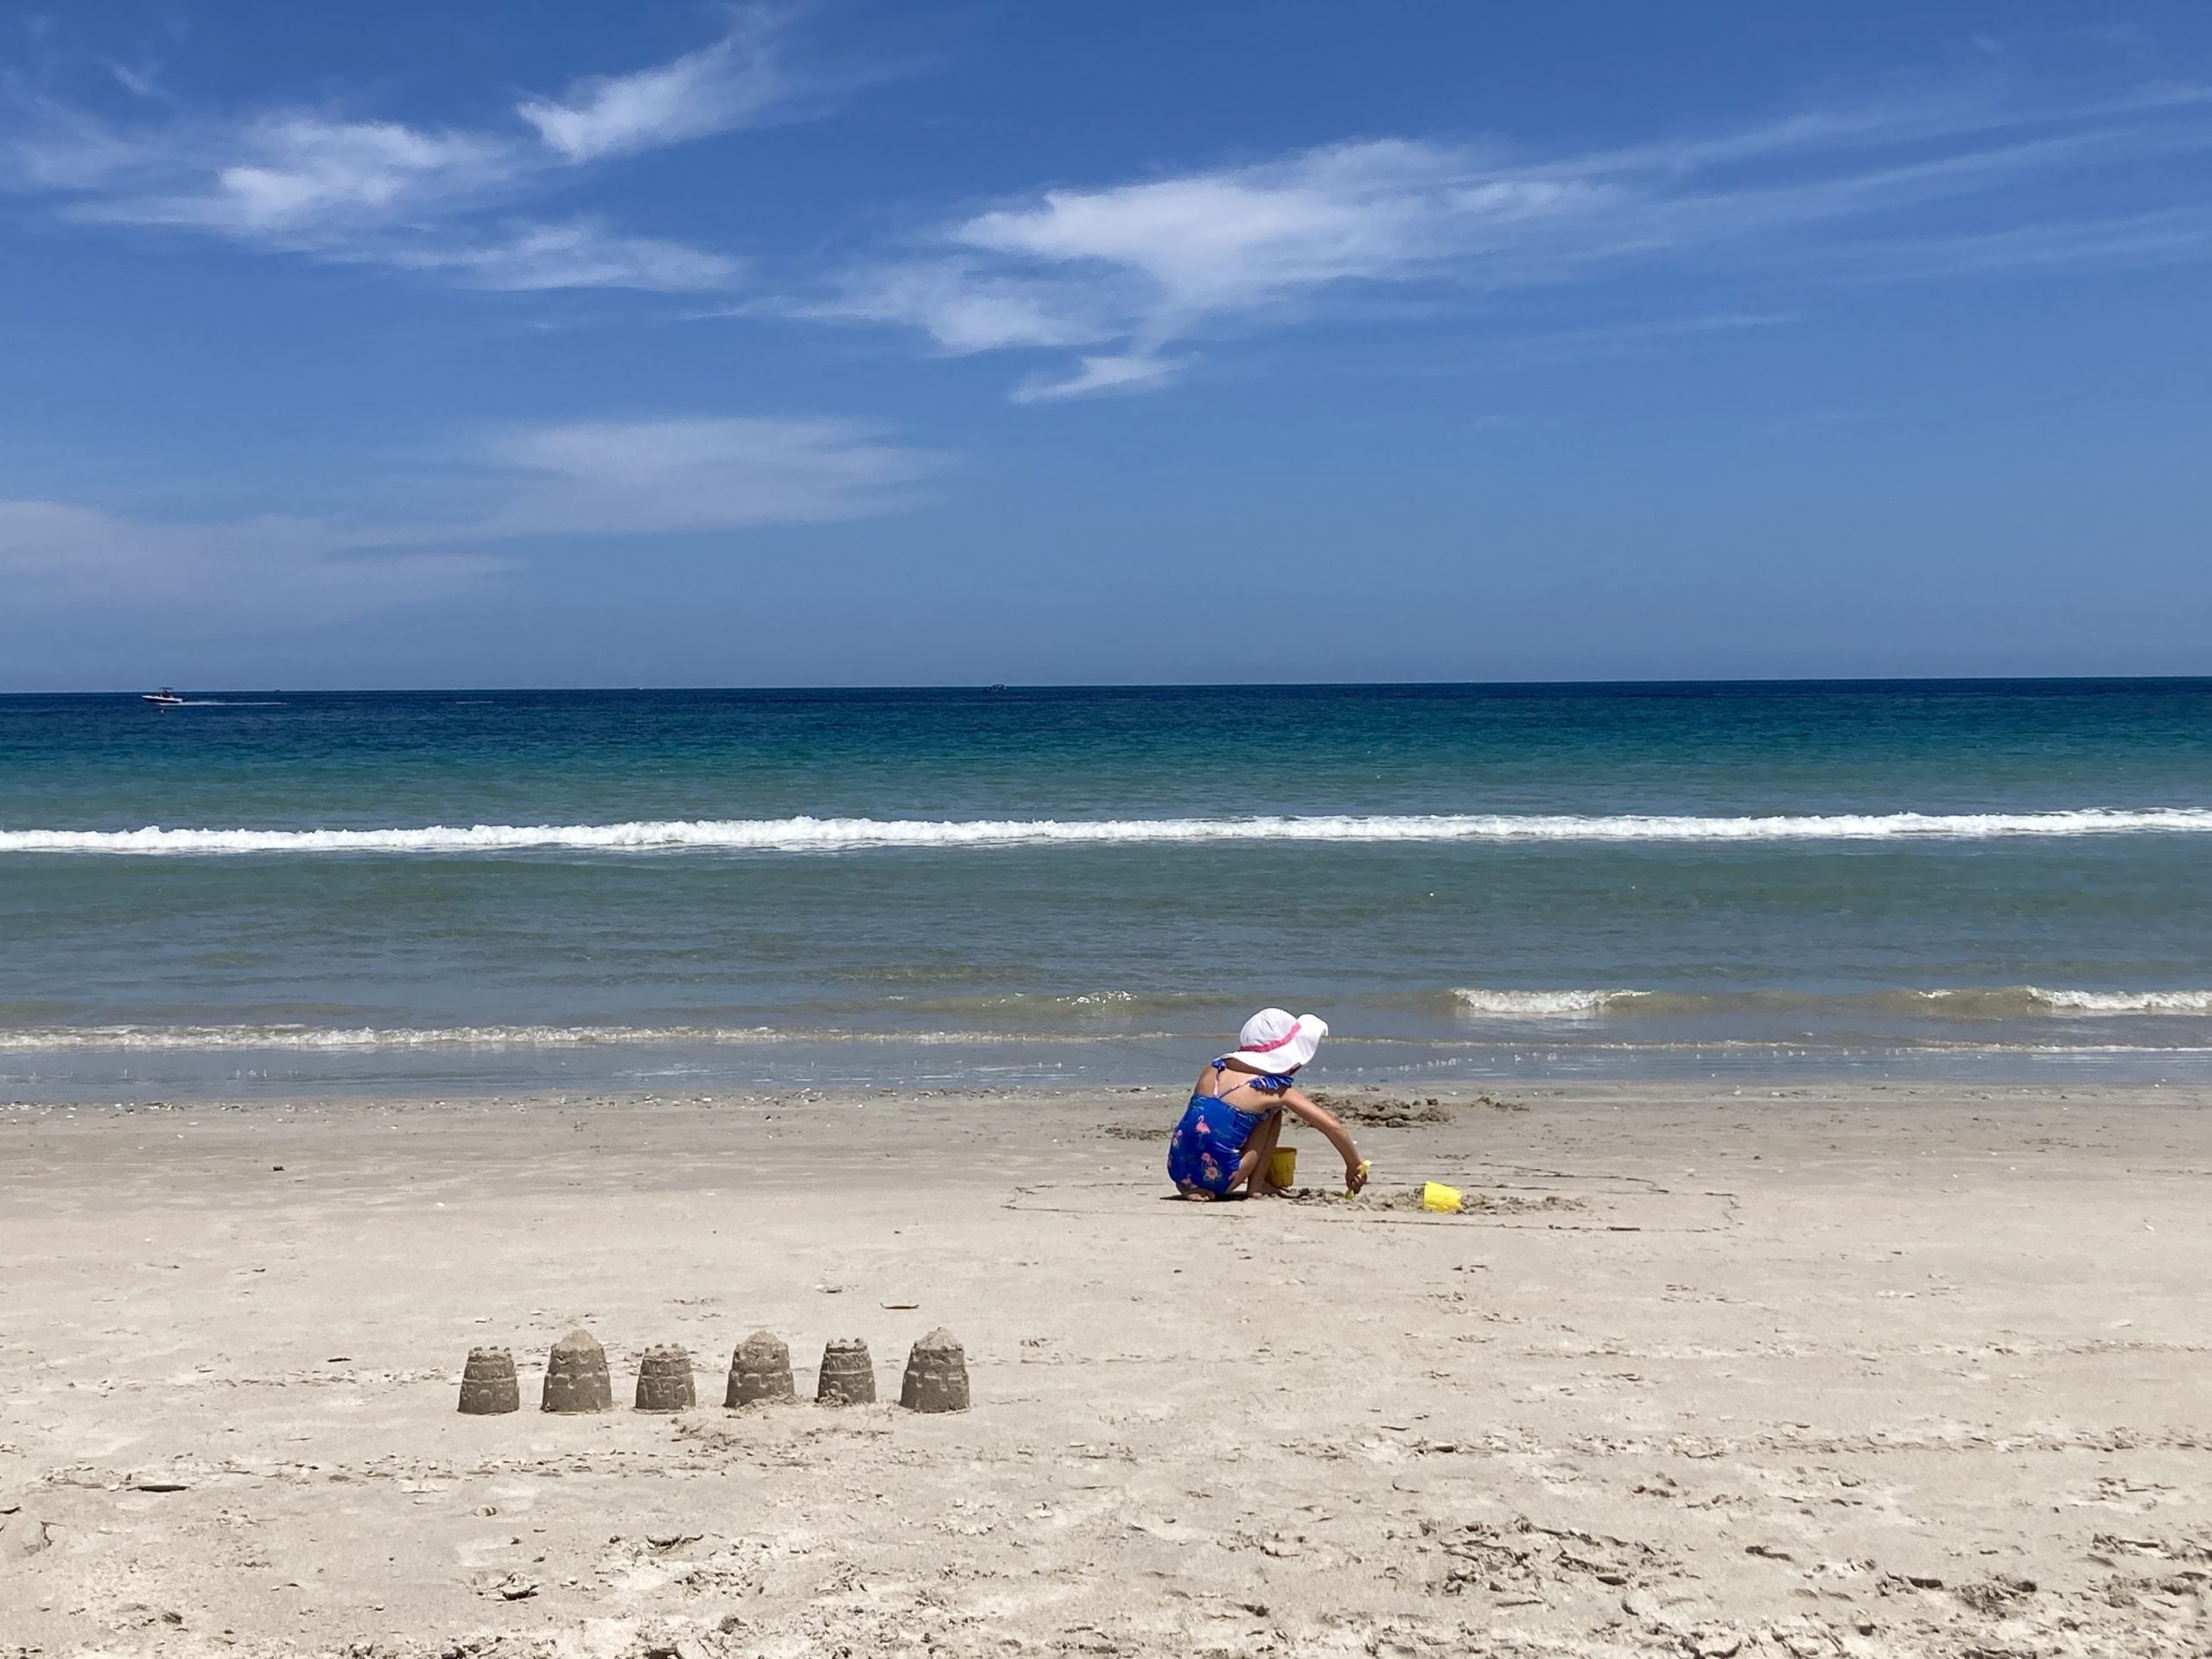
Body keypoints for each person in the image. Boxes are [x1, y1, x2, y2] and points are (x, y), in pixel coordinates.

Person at [1168, 1008, 1369, 1200]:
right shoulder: (1272, 1089)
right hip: (1222, 1179)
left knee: (1219, 1121)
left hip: (1177, 1167)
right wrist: (1353, 1164)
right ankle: (1256, 1186)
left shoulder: (1213, 1069)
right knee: (1272, 1110)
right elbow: (1332, 1127)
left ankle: (1190, 1185)